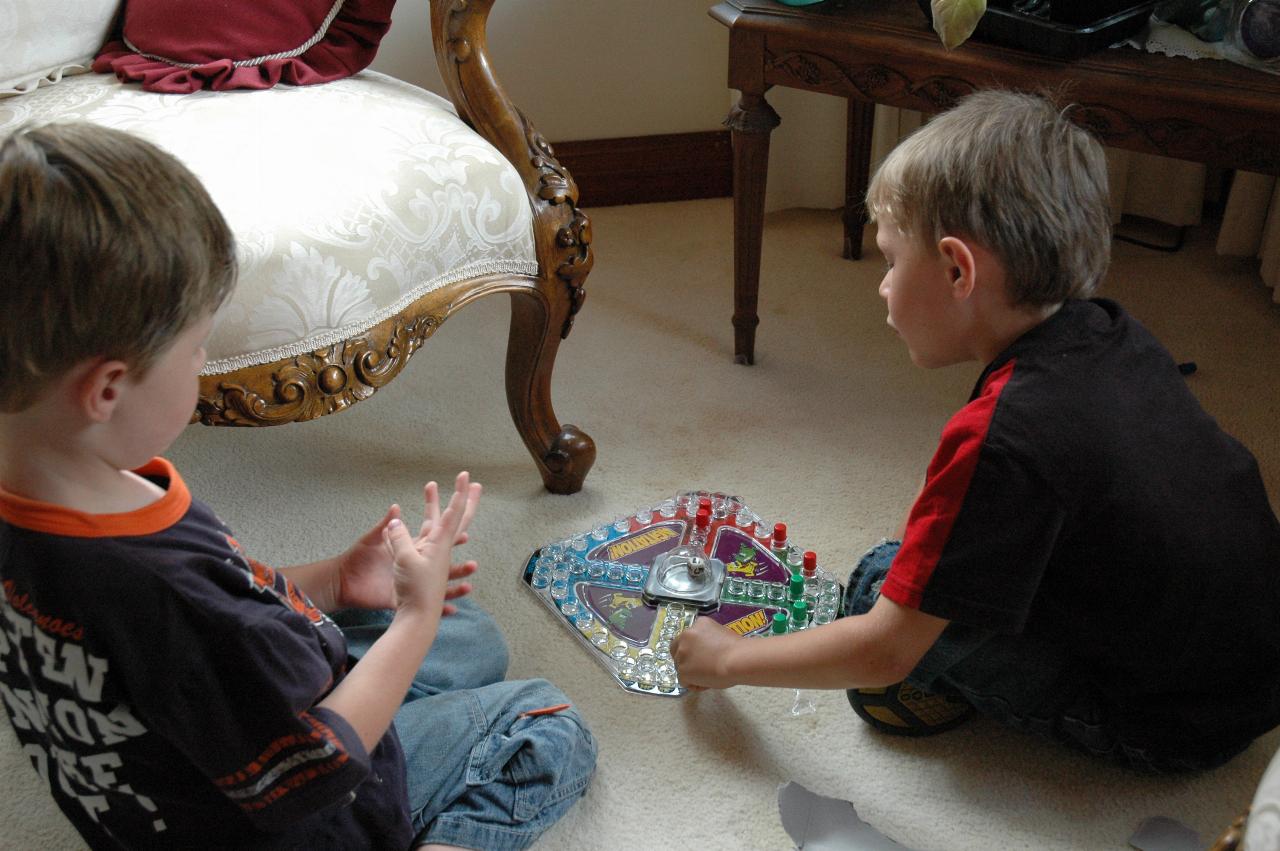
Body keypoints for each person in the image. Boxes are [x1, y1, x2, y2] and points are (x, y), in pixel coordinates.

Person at [0, 121, 596, 848]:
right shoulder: (173, 597)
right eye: (196, 350)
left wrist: (340, 580)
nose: (205, 361)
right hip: (301, 810)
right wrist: (412, 619)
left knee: (468, 635)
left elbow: (204, 620)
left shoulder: (54, 490)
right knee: (546, 723)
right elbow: (324, 764)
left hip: (180, 757)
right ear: (107, 390)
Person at [672, 89, 1280, 773]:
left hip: (1170, 722)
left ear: (959, 269)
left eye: (892, 261)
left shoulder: (1001, 437)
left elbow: (883, 652)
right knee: (913, 572)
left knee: (876, 586)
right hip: (1254, 663)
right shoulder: (1115, 333)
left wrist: (726, 659)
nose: (882, 287)